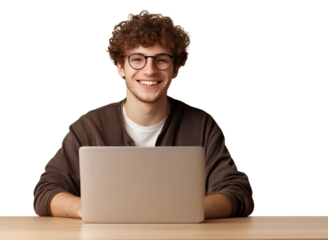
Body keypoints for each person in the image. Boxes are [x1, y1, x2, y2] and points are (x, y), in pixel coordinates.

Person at [33, 8, 255, 219]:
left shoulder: (202, 125)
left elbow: (238, 193)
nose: (149, 70)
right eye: (137, 59)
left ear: (175, 69)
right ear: (120, 67)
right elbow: (45, 192)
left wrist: (179, 211)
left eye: (161, 60)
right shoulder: (88, 127)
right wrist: (92, 209)